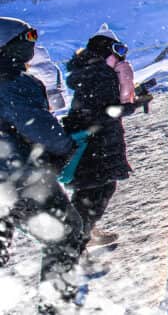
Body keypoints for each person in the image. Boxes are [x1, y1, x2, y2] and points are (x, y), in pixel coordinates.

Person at [0, 18, 84, 307]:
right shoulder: (13, 82)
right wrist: (66, 146)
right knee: (65, 233)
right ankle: (54, 306)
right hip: (22, 178)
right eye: (28, 37)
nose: (32, 43)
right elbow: (40, 128)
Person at [63, 26, 134, 249]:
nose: (121, 56)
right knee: (97, 190)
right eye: (118, 50)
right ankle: (76, 244)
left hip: (88, 140)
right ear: (106, 50)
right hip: (98, 142)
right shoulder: (101, 73)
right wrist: (130, 107)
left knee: (88, 189)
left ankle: (83, 234)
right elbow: (104, 111)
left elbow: (95, 106)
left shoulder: (89, 71)